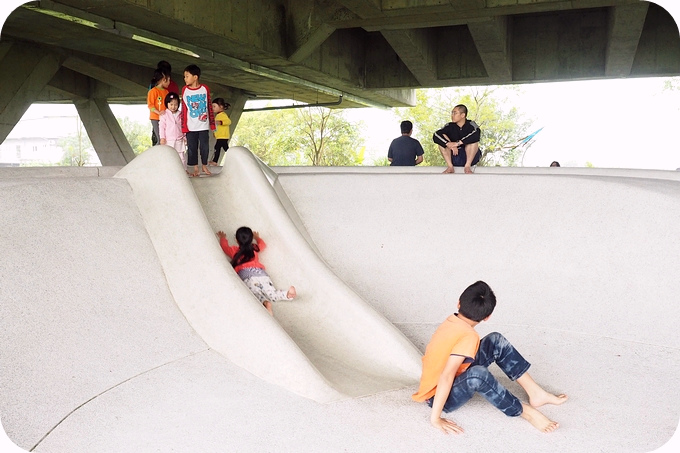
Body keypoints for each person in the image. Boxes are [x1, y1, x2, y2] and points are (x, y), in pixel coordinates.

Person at [412, 280, 568, 434]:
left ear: (458, 303)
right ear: (487, 317)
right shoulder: (468, 336)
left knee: (495, 340)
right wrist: (435, 419)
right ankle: (525, 411)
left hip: (447, 381)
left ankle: (536, 393)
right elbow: (446, 375)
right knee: (478, 375)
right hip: (438, 397)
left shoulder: (452, 321)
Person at [217, 227, 296, 316]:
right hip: (260, 273)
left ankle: (265, 303)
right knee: (271, 291)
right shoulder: (255, 248)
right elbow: (263, 244)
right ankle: (287, 294)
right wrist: (257, 238)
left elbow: (224, 247)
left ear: (236, 240)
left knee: (256, 294)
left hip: (246, 275)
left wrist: (222, 238)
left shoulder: (234, 250)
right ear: (251, 240)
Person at [181, 64, 216, 177]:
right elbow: (184, 109)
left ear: (195, 77)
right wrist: (184, 127)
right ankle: (196, 168)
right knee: (192, 148)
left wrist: (212, 125)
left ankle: (204, 166)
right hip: (190, 126)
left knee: (204, 147)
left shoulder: (205, 89)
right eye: (184, 76)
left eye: (187, 76)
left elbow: (209, 107)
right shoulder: (185, 90)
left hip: (203, 126)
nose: (185, 78)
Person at [433, 104, 482, 174]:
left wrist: (458, 143)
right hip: (455, 155)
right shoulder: (449, 126)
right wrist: (449, 144)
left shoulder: (471, 124)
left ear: (463, 115)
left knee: (474, 141)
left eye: (455, 113)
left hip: (470, 156)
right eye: (452, 113)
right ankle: (450, 167)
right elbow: (436, 134)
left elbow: (477, 134)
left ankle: (467, 166)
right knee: (442, 140)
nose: (452, 115)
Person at [159, 92, 187, 171]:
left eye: (175, 104)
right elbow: (161, 127)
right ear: (167, 104)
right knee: (168, 156)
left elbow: (184, 126)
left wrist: (185, 137)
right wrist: (162, 137)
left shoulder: (181, 114)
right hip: (169, 140)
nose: (173, 107)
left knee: (181, 157)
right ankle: (168, 171)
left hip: (179, 139)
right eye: (171, 104)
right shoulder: (164, 115)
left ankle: (183, 171)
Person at [147, 69, 170, 146]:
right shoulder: (153, 91)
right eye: (168, 80)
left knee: (165, 138)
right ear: (163, 80)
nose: (169, 83)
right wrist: (159, 112)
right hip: (155, 118)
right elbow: (150, 105)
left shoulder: (166, 92)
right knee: (160, 139)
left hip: (164, 118)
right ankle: (155, 155)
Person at [210, 98, 232, 166]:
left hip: (223, 136)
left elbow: (228, 122)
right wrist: (215, 133)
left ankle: (215, 161)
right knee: (224, 148)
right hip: (220, 136)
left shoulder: (222, 115)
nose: (213, 108)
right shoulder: (218, 115)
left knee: (218, 147)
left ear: (221, 107)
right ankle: (232, 157)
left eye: (214, 106)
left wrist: (220, 122)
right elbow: (217, 127)